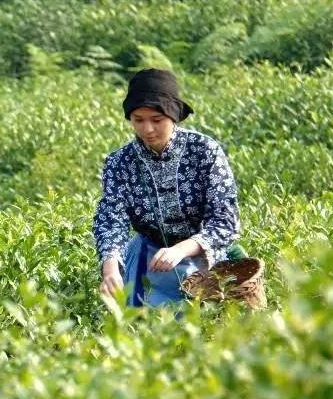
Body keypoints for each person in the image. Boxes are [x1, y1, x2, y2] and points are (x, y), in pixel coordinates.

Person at [94, 68, 240, 308]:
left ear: (173, 116)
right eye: (138, 120)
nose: (147, 129)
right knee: (144, 328)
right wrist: (110, 268)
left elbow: (226, 221)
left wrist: (180, 250)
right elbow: (111, 219)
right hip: (148, 256)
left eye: (157, 120)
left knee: (204, 323)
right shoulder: (119, 162)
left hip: (201, 254)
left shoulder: (204, 151)